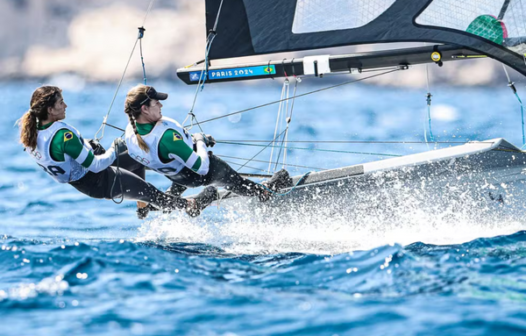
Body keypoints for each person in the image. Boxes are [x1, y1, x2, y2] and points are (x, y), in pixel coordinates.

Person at [19, 85, 207, 217]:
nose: (65, 105)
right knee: (154, 195)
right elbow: (95, 165)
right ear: (50, 109)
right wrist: (115, 149)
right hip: (100, 180)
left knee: (138, 156)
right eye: (61, 102)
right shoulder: (63, 136)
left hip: (89, 179)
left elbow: (62, 156)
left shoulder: (31, 133)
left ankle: (142, 204)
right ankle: (192, 206)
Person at [122, 84, 293, 218]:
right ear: (144, 109)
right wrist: (200, 141)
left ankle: (177, 203)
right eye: (156, 102)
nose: (161, 104)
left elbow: (136, 165)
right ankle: (266, 191)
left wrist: (141, 203)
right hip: (200, 173)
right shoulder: (166, 137)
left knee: (184, 171)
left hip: (180, 175)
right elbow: (202, 167)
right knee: (237, 183)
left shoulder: (131, 133)